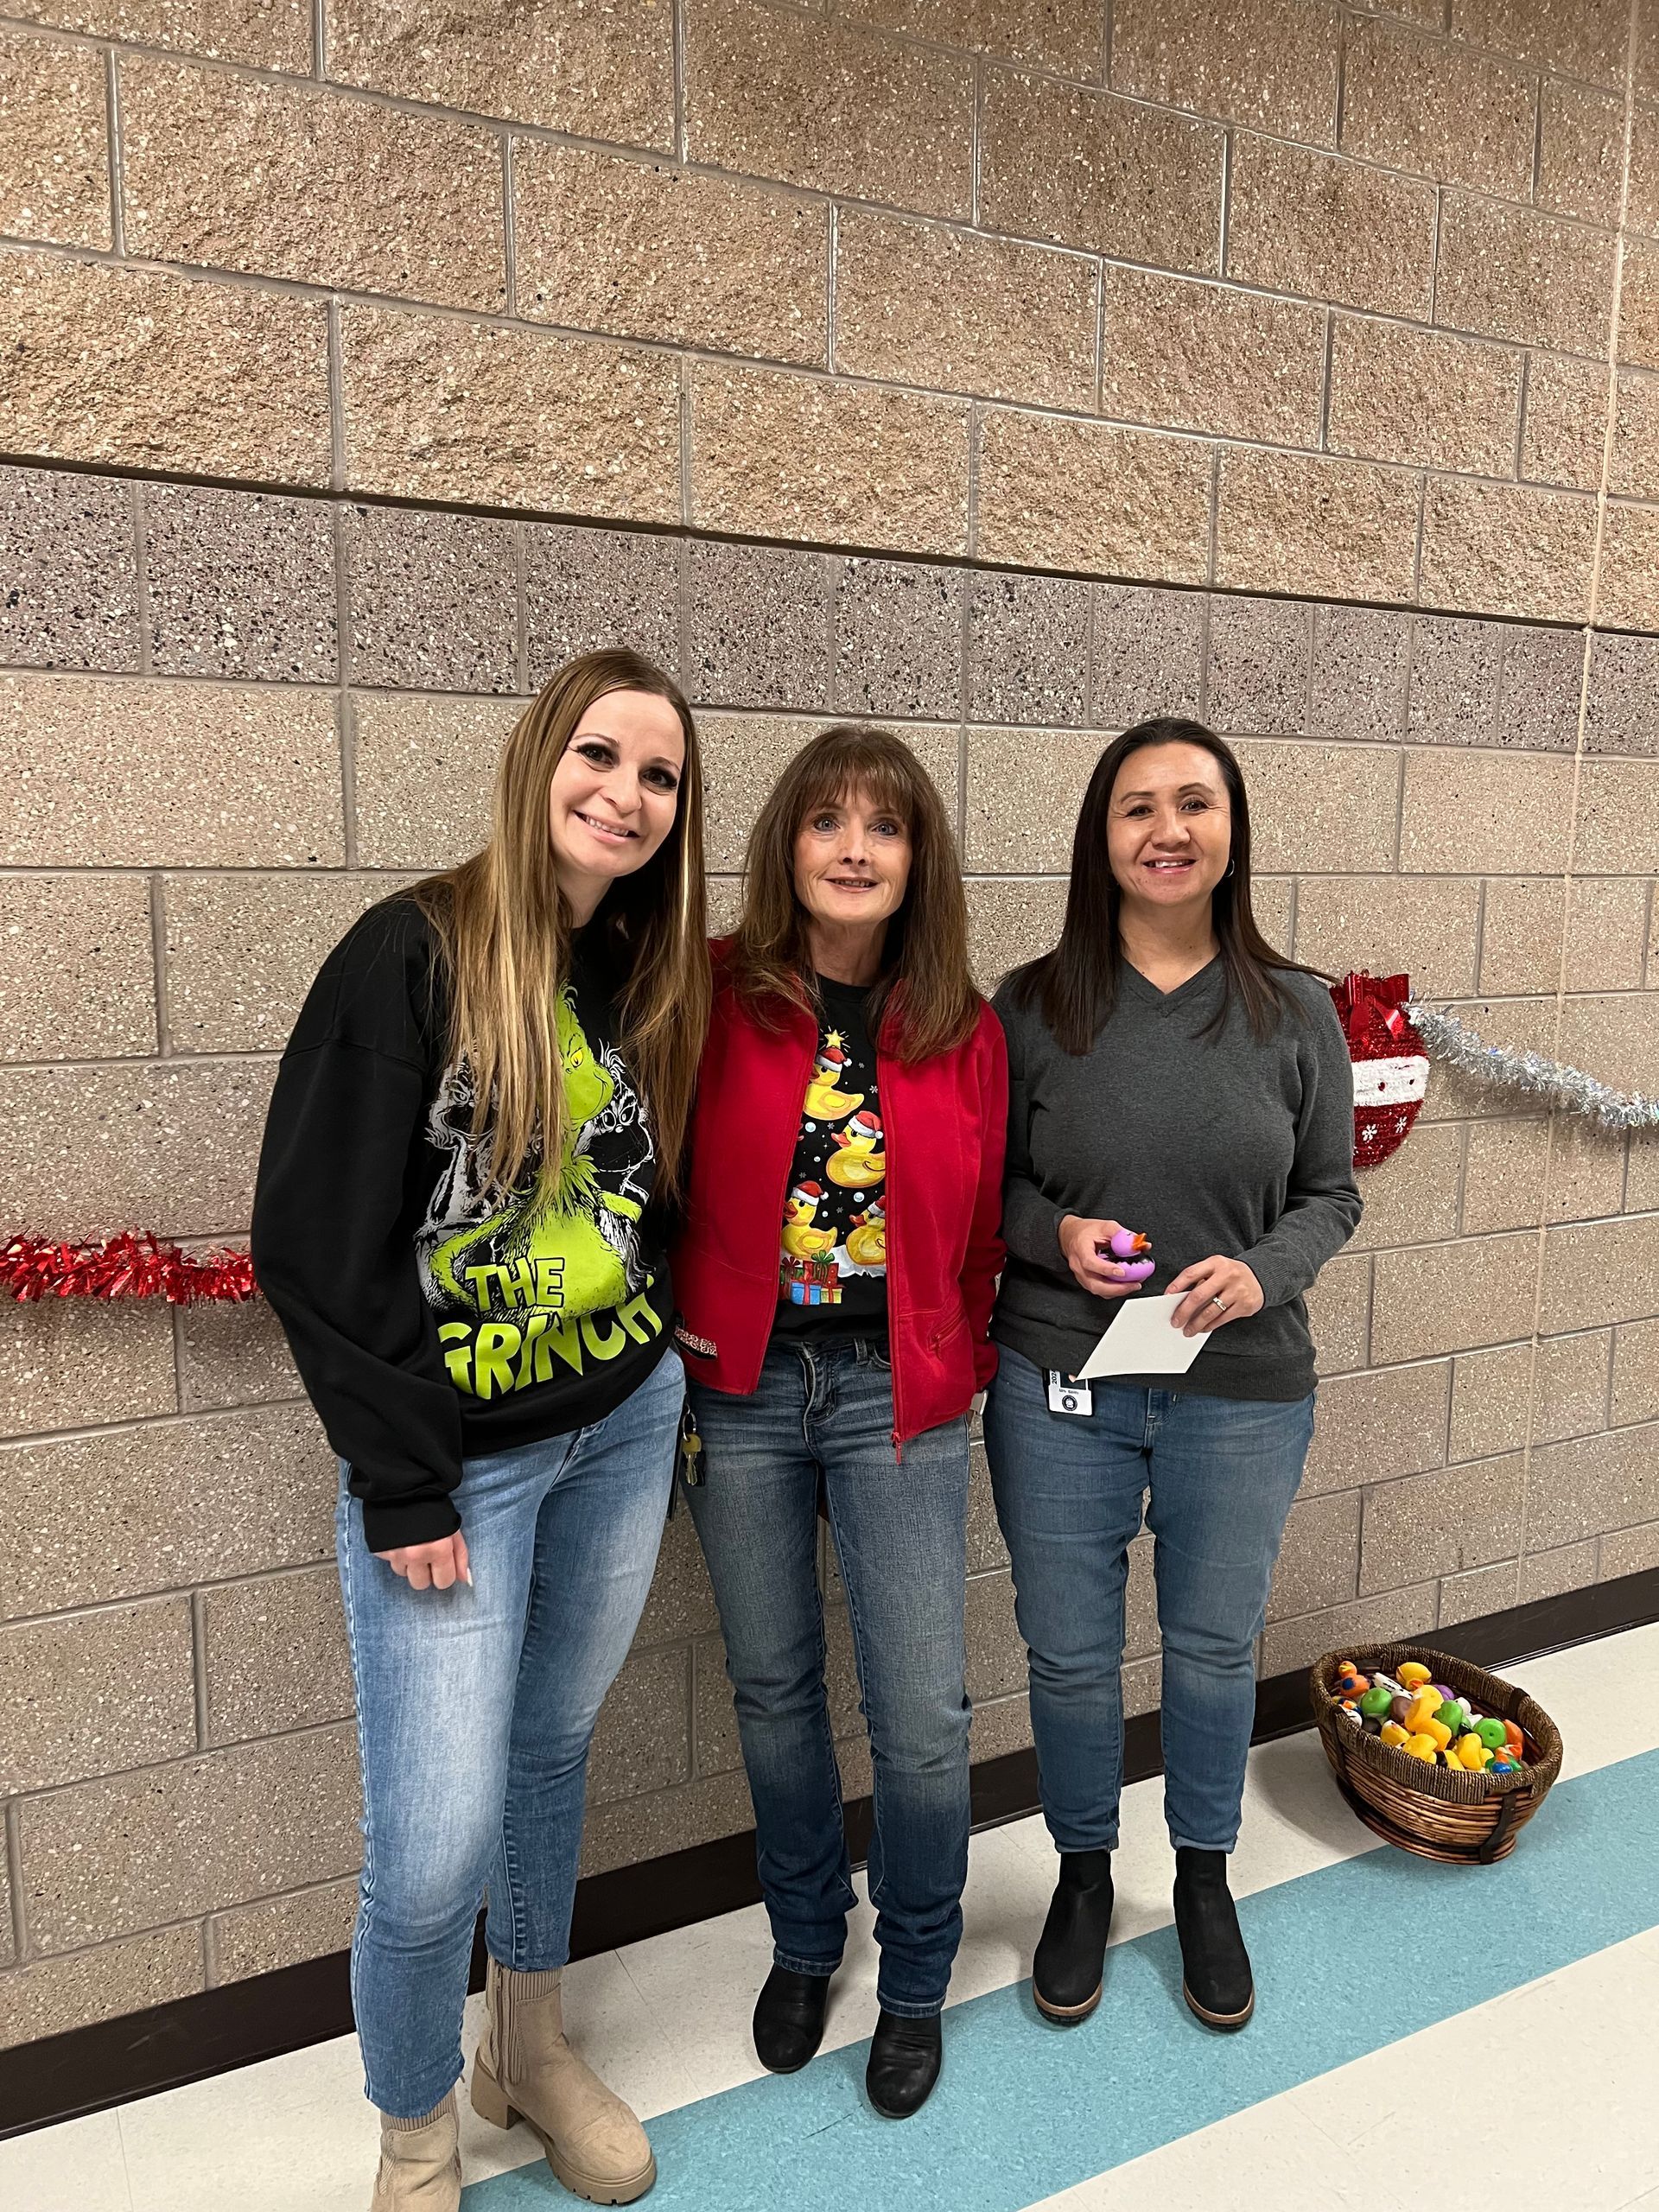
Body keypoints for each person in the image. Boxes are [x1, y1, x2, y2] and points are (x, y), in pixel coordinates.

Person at [251, 650, 710, 2211]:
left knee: (548, 1757)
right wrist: (402, 1478)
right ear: (536, 762)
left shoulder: (643, 970)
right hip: (459, 1471)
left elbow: (656, 1198)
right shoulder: (410, 954)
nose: (627, 796)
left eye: (660, 776)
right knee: (433, 1840)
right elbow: (313, 1240)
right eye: (601, 755)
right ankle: (416, 2132)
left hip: (623, 1421)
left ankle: (527, 2046)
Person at [982, 716, 1359, 2037]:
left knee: (1210, 1650)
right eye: (1136, 807)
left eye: (1194, 802)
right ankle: (1083, 1875)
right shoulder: (1030, 1006)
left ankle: (1204, 1876)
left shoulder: (1295, 1008)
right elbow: (985, 1186)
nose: (1167, 829)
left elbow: (1331, 1195)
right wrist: (1052, 1236)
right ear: (1101, 837)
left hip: (1242, 1390)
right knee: (1072, 1656)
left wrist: (1265, 1272)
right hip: (1059, 1385)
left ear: (1233, 829)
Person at [671, 725, 1007, 2119]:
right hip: (739, 1392)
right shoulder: (713, 995)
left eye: (884, 825)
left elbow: (984, 1222)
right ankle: (809, 1941)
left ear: (917, 858)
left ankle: (917, 1972)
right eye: (826, 822)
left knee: (922, 1712)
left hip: (895, 1394)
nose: (855, 847)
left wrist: (958, 1346)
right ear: (787, 848)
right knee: (773, 1690)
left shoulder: (962, 1029)